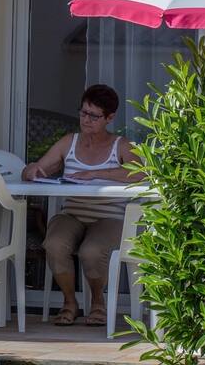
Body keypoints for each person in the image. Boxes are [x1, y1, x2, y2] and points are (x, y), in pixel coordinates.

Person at [22, 84, 143, 326]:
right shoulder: (69, 142)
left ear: (109, 118)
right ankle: (70, 302)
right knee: (54, 244)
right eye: (83, 112)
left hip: (109, 217)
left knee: (92, 251)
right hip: (73, 214)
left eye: (94, 116)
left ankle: (98, 302)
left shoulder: (121, 145)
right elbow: (36, 170)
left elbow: (140, 173)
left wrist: (96, 174)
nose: (86, 120)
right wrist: (32, 170)